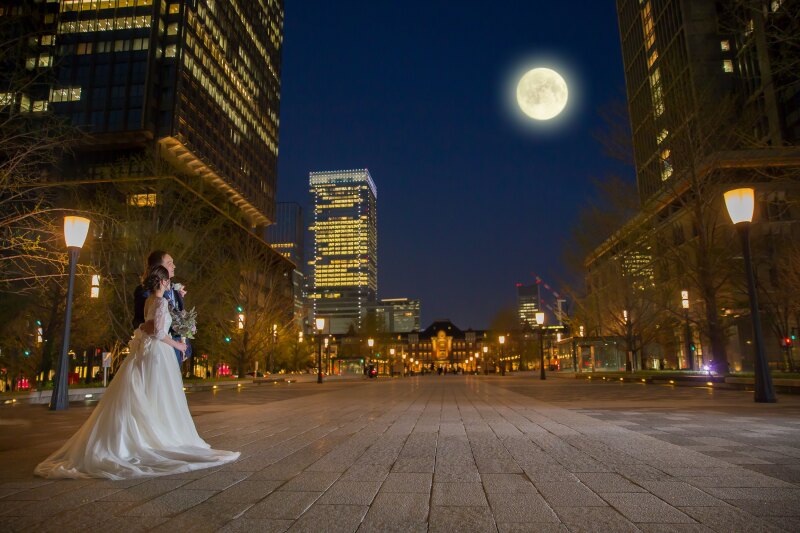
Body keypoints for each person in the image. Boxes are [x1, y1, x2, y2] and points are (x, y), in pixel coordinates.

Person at [35, 266, 239, 480]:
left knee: (145, 392)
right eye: (167, 281)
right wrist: (179, 346)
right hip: (158, 353)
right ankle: (155, 436)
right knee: (159, 395)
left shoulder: (150, 300)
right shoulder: (160, 302)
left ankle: (140, 434)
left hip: (145, 351)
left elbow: (147, 326)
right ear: (160, 282)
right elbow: (160, 333)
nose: (169, 284)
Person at [133, 250, 188, 367]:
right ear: (158, 267)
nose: (174, 266)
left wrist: (183, 343)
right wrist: (143, 327)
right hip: (157, 349)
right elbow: (139, 320)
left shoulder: (175, 290)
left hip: (175, 350)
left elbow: (179, 319)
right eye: (169, 263)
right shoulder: (146, 292)